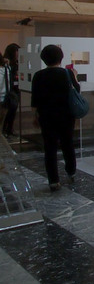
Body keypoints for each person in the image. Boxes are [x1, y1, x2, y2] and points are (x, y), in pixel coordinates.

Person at [31, 44, 79, 192]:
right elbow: (76, 91)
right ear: (61, 57)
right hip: (66, 115)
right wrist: (75, 77)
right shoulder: (67, 73)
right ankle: (71, 171)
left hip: (46, 115)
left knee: (49, 147)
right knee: (67, 143)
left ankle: (53, 180)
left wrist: (35, 116)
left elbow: (35, 100)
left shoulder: (38, 76)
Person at [2, 43, 20, 137]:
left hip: (15, 89)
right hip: (8, 89)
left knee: (13, 110)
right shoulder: (6, 64)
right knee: (8, 110)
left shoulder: (17, 63)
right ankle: (5, 128)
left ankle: (9, 128)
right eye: (17, 51)